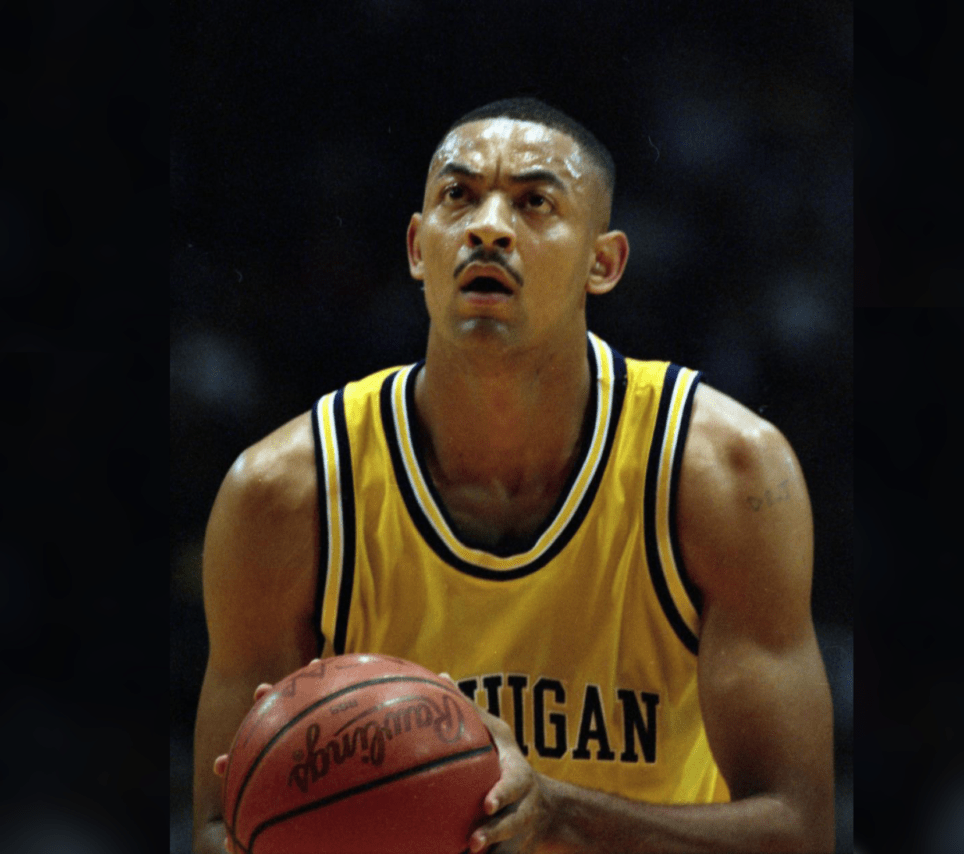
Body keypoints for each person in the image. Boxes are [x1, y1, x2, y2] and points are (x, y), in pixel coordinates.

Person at [192, 97, 835, 853]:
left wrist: (558, 815)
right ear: (415, 247)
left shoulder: (722, 474)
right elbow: (216, 828)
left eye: (535, 202)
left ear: (604, 262)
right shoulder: (285, 495)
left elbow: (800, 831)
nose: (488, 226)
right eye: (457, 196)